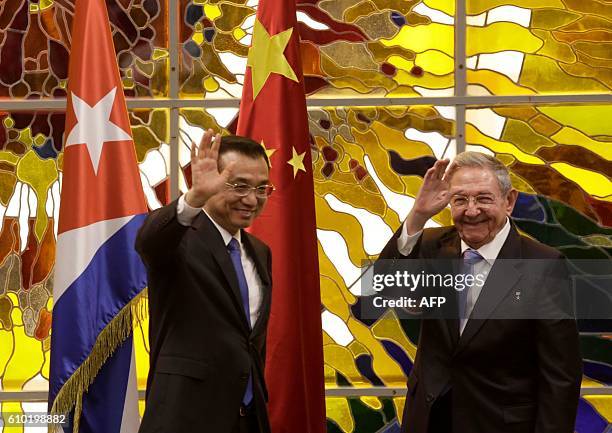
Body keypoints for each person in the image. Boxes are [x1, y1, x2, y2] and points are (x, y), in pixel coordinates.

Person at [377, 152, 582, 433]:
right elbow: (382, 287)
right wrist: (418, 217)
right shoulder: (430, 246)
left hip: (500, 423)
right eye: (460, 199)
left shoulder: (542, 265)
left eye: (483, 198)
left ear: (508, 201)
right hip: (428, 420)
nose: (471, 211)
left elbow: (561, 375)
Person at [136, 130, 274, 433]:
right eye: (240, 186)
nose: (251, 200)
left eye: (262, 188)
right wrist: (194, 198)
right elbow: (149, 241)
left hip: (249, 420)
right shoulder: (181, 238)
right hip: (185, 418)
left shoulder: (260, 253)